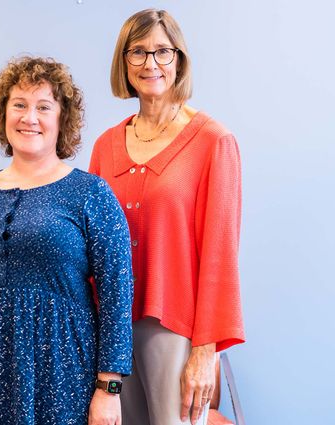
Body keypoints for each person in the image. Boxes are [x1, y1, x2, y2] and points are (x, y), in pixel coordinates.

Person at [0, 56, 133, 425]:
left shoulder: (90, 193)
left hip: (61, 375)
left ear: (62, 118)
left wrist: (109, 389)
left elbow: (116, 295)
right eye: (19, 105)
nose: (30, 118)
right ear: (3, 114)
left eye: (44, 107)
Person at [88, 9, 245, 425]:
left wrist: (204, 351)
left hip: (174, 325)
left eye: (161, 51)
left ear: (179, 59)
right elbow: (90, 249)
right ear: (124, 62)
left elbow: (220, 256)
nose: (150, 63)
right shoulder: (106, 146)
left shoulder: (213, 141)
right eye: (137, 52)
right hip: (111, 331)